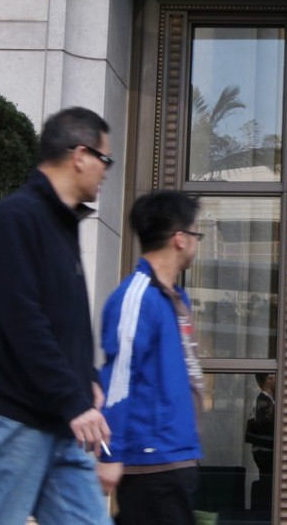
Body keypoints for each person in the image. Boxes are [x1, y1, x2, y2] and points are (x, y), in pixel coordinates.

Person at [0, 107, 113, 525]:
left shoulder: (61, 224)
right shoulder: (17, 218)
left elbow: (61, 321)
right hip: (19, 423)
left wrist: (87, 378)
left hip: (63, 425)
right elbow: (24, 324)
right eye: (104, 159)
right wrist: (72, 399)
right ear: (80, 155)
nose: (107, 171)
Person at [96, 190, 206, 525]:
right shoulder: (137, 296)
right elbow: (118, 377)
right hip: (150, 466)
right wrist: (110, 453)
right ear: (179, 239)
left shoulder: (176, 298)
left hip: (177, 459)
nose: (197, 243)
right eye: (196, 234)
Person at [247, 371, 276, 510]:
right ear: (265, 381)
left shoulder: (268, 400)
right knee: (268, 481)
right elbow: (266, 426)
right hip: (265, 450)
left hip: (263, 449)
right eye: (271, 377)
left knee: (267, 480)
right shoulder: (263, 401)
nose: (274, 380)